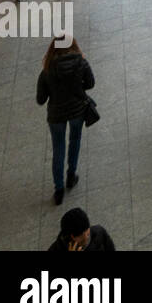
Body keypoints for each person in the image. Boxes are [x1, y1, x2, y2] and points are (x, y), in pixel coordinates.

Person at [37, 37, 95, 205]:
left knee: (58, 148)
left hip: (56, 115)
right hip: (77, 110)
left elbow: (41, 99)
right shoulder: (81, 63)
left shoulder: (47, 70)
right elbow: (91, 83)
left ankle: (59, 190)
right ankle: (71, 174)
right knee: (75, 140)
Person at [48, 207, 116, 252]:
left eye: (88, 233)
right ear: (72, 237)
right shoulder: (56, 248)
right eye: (82, 236)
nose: (87, 237)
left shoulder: (99, 232)